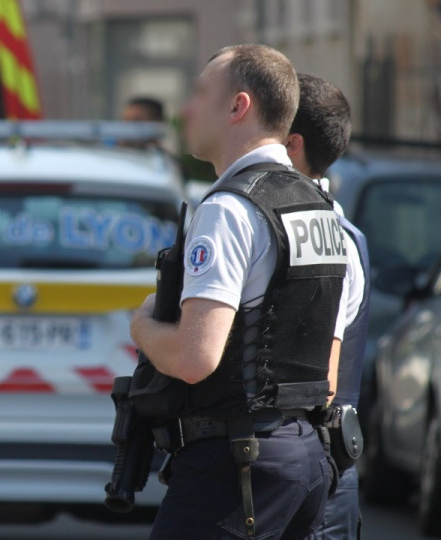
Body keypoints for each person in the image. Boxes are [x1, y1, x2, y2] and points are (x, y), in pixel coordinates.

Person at [130, 44, 350, 539]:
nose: (186, 108)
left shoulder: (229, 210)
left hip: (237, 467)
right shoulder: (322, 209)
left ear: (238, 107)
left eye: (200, 93)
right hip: (306, 462)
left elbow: (194, 358)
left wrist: (142, 326)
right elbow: (326, 374)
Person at [285, 73, 370, 540]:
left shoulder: (323, 237)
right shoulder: (333, 229)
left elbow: (324, 380)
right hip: (322, 472)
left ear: (291, 145)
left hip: (318, 482)